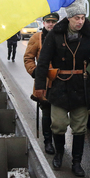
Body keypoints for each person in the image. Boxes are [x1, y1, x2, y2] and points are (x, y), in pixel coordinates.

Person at [34, 0, 90, 177]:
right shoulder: (55, 35)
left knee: (79, 127)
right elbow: (42, 62)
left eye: (83, 17)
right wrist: (40, 86)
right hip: (59, 86)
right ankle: (58, 154)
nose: (80, 21)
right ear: (69, 18)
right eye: (76, 18)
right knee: (57, 124)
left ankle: (76, 162)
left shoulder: (89, 37)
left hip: (80, 87)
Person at [24, 13, 59, 155]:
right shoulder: (36, 38)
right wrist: (34, 72)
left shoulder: (62, 37)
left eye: (54, 22)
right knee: (47, 112)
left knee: (59, 114)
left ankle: (59, 141)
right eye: (48, 21)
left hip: (60, 81)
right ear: (43, 23)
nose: (51, 24)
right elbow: (28, 58)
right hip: (43, 82)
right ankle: (48, 141)